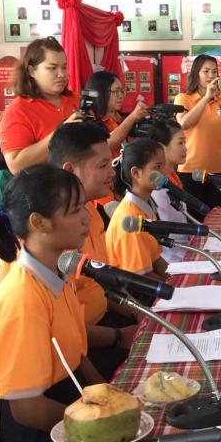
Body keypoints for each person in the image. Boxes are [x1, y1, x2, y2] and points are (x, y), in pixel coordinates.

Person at [0, 165, 103, 441]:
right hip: (44, 427)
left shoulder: (57, 271)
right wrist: (99, 426)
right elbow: (28, 410)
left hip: (72, 399)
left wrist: (108, 394)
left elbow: (76, 355)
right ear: (38, 223)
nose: (87, 217)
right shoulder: (22, 299)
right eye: (76, 210)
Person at [47, 123, 137, 377]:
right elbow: (63, 331)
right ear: (69, 171)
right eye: (102, 166)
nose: (112, 173)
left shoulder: (91, 213)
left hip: (107, 322)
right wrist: (119, 336)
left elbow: (102, 284)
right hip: (85, 348)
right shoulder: (51, 237)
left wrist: (137, 312)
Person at [0, 37, 81, 174]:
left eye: (64, 67)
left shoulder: (76, 100)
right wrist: (61, 133)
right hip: (47, 185)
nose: (61, 74)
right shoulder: (18, 111)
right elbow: (16, 166)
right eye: (52, 68)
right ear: (32, 71)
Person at [176, 55, 221, 212]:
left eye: (214, 71)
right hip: (190, 171)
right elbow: (184, 123)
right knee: (195, 219)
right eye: (206, 71)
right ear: (196, 74)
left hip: (219, 171)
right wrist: (206, 98)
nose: (211, 76)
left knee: (217, 217)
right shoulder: (183, 98)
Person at [105, 138, 168, 284]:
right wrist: (176, 290)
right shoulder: (130, 218)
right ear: (136, 173)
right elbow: (141, 277)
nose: (164, 172)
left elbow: (155, 258)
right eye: (157, 167)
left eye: (164, 165)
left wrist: (178, 280)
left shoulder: (144, 206)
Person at [144, 121, 191, 263]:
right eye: (180, 143)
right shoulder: (156, 187)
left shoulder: (172, 176)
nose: (185, 148)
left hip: (184, 248)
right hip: (172, 258)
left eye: (184, 143)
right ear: (161, 147)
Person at [83, 70, 149, 157]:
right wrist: (132, 117)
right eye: (117, 91)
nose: (121, 95)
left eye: (122, 91)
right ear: (101, 93)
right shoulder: (89, 121)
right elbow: (108, 144)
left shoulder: (122, 118)